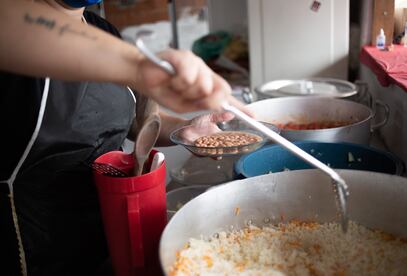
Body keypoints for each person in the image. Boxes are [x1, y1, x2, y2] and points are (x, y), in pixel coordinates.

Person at [0, 0, 248, 275]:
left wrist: (184, 130)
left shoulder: (104, 31)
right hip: (36, 246)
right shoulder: (12, 37)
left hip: (110, 231)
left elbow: (130, 120)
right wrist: (137, 66)